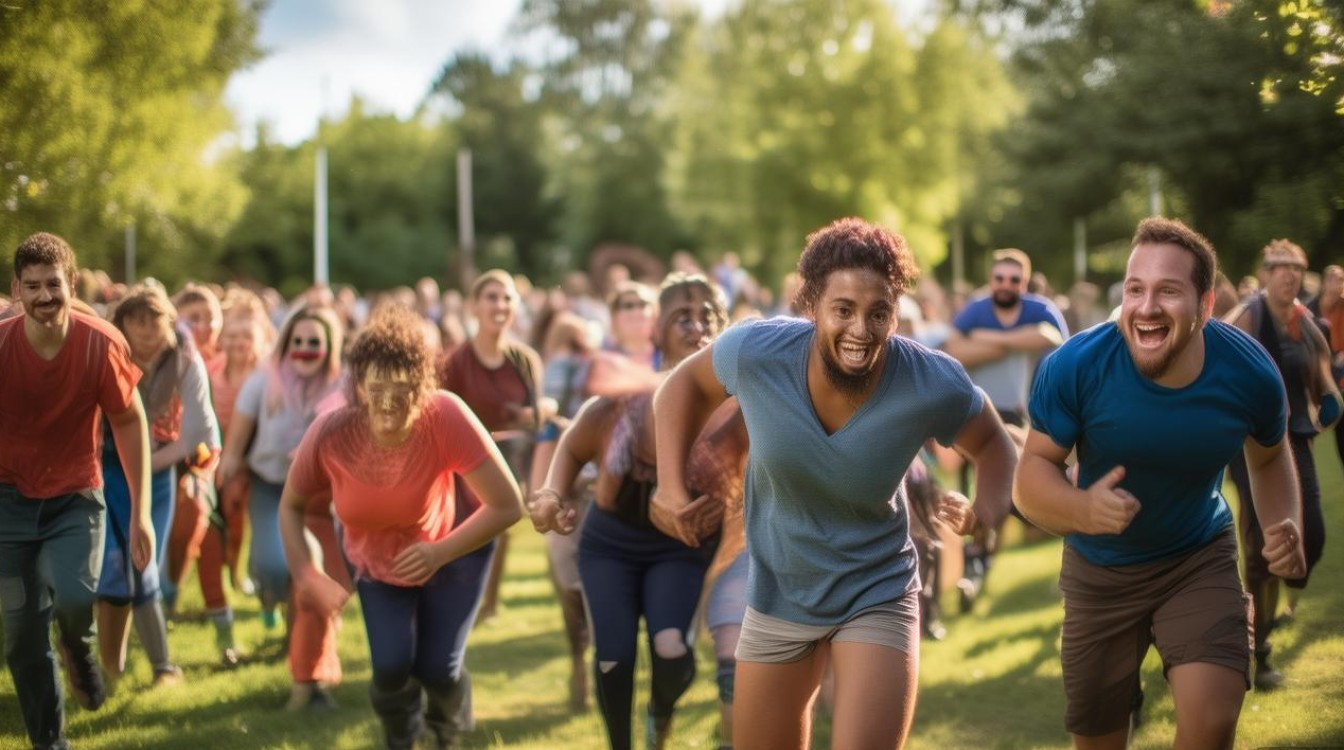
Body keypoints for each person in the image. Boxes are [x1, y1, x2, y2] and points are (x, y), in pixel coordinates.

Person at [653, 218, 1017, 750]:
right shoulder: (759, 353)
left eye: (879, 313)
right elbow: (683, 384)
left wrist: (986, 512)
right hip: (780, 586)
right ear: (812, 305)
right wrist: (669, 486)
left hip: (877, 586)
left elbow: (993, 444)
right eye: (843, 310)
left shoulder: (928, 379)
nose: (861, 331)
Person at [1015, 217, 1309, 749]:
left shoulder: (1247, 373)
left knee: (1212, 721)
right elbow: (1030, 476)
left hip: (1196, 557)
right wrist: (1083, 511)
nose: (1146, 307)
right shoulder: (1078, 365)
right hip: (1100, 572)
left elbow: (1268, 459)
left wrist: (1282, 521)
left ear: (1206, 305)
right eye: (1135, 289)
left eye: (1168, 291)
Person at [280, 304, 522, 749]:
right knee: (391, 666)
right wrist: (307, 576)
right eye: (377, 387)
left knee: (438, 668)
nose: (389, 401)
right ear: (359, 386)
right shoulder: (332, 431)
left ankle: (446, 732)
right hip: (376, 560)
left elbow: (508, 506)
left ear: (424, 386)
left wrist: (439, 552)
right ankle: (402, 735)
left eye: (403, 388)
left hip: (454, 549)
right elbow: (291, 506)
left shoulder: (445, 415)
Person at [530, 272, 739, 750]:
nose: (696, 325)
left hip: (680, 550)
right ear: (656, 331)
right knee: (613, 658)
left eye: (708, 315)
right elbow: (573, 444)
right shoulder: (626, 397)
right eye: (681, 317)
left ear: (725, 327)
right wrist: (552, 494)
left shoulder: (739, 407)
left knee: (671, 651)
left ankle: (660, 713)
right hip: (611, 546)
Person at [0, 232, 154, 749]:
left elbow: (129, 423)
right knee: (21, 635)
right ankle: (50, 741)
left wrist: (142, 514)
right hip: (8, 504)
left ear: (72, 282)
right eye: (32, 286)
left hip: (75, 498)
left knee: (74, 594)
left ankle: (76, 643)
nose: (45, 297)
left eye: (54, 284)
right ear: (16, 291)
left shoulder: (100, 343)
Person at [1222, 239, 1340, 689]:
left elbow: (1324, 378)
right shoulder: (1247, 318)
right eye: (1279, 267)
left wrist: (1330, 401)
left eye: (1296, 267)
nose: (1289, 274)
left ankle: (1263, 626)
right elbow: (1217, 357)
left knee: (1310, 536)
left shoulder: (1306, 325)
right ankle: (1258, 651)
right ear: (1265, 273)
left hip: (1297, 442)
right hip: (1252, 447)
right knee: (1262, 550)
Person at [96, 284, 221, 687]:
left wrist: (148, 463)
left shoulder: (186, 359)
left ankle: (160, 666)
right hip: (103, 468)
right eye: (137, 321)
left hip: (158, 469)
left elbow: (200, 434)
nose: (147, 332)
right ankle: (103, 662)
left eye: (156, 321)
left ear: (170, 322)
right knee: (109, 564)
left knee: (142, 564)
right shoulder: (103, 350)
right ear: (121, 323)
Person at [942, 247, 1067, 610]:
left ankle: (982, 552)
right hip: (972, 413)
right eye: (1000, 278)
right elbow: (953, 349)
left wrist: (988, 341)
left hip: (1017, 416)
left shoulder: (1040, 309)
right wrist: (1013, 344)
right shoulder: (976, 309)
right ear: (991, 279)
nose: (1006, 285)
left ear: (1025, 283)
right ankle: (975, 556)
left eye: (1015, 279)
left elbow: (1050, 337)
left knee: (1008, 489)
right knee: (970, 488)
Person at [217, 303, 344, 634]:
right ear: (286, 343)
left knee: (311, 569)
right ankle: (268, 596)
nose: (304, 350)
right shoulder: (263, 379)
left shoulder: (341, 385)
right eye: (297, 342)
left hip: (318, 497)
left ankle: (296, 637)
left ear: (329, 346)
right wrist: (226, 467)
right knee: (273, 567)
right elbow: (238, 436)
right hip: (270, 487)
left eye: (313, 342)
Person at [438, 270, 552, 623]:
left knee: (500, 526)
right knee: (457, 532)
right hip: (459, 462)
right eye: (491, 297)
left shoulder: (524, 359)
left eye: (506, 298)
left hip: (508, 458)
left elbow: (536, 414)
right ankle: (452, 598)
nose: (499, 305)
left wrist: (542, 411)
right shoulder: (455, 361)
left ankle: (488, 602)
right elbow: (441, 414)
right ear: (474, 307)